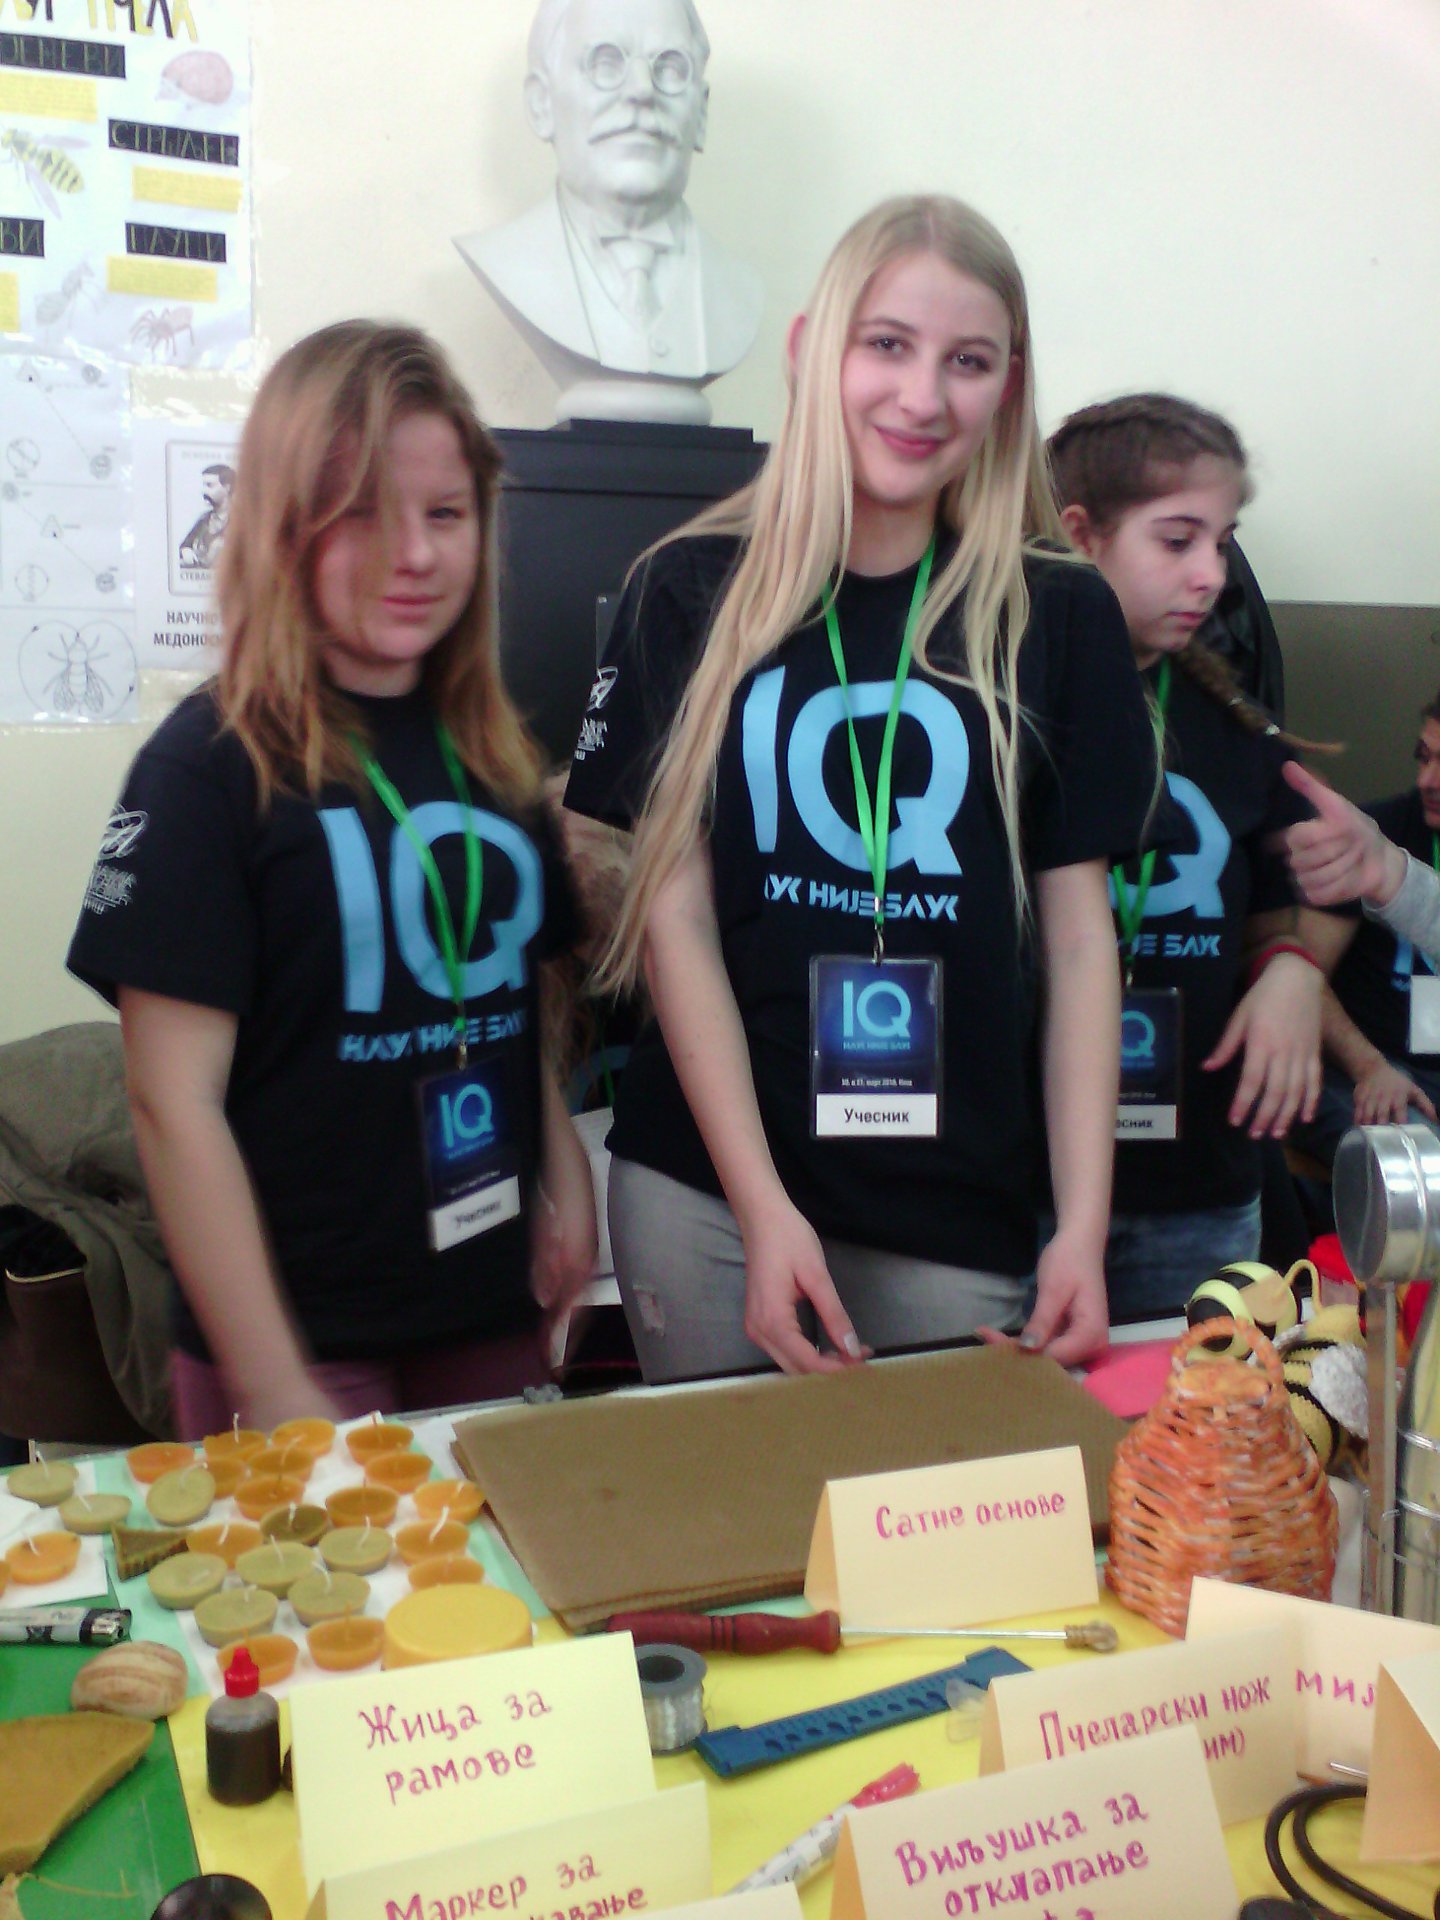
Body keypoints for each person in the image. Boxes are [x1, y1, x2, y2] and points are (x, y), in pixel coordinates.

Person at [565, 194, 1157, 1381]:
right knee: (730, 1504)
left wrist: (1084, 1227)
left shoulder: (1060, 612)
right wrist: (761, 1207)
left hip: (952, 1213)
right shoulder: (687, 588)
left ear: (1008, 386)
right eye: (887, 344)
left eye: (967, 361)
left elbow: (1081, 943)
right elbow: (675, 920)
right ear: (812, 351)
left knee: (945, 1503)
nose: (922, 396)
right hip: (707, 1199)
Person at [68, 322, 597, 1436]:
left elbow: (507, 1003)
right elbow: (171, 1102)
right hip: (297, 1343)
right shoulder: (209, 769)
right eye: (362, 513)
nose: (415, 555)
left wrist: (566, 1179)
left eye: (444, 514)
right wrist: (270, 1381)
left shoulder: (493, 756)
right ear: (280, 525)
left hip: (483, 1300)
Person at [1049, 394, 1325, 1319]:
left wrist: (1291, 972)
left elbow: (1293, 893)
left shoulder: (1229, 722)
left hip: (1199, 1184)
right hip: (1027, 1189)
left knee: (1200, 1407)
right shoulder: (1006, 710)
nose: (1212, 575)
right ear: (1081, 536)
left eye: (1223, 541)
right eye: (1177, 541)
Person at [454, 0, 762, 397]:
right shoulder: (506, 261)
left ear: (701, 114)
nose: (641, 91)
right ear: (542, 103)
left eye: (670, 68)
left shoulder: (740, 292)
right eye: (605, 63)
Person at [1281, 726, 1440, 1168]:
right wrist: (1369, 1066)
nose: (1427, 780)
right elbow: (1301, 976)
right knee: (1419, 1167)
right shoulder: (1370, 834)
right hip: (1376, 1069)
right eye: (1423, 757)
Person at [177, 462, 234, 568]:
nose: (204, 491)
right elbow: (185, 546)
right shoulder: (204, 519)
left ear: (227, 488)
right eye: (204, 485)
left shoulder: (243, 521)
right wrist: (186, 551)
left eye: (209, 485)